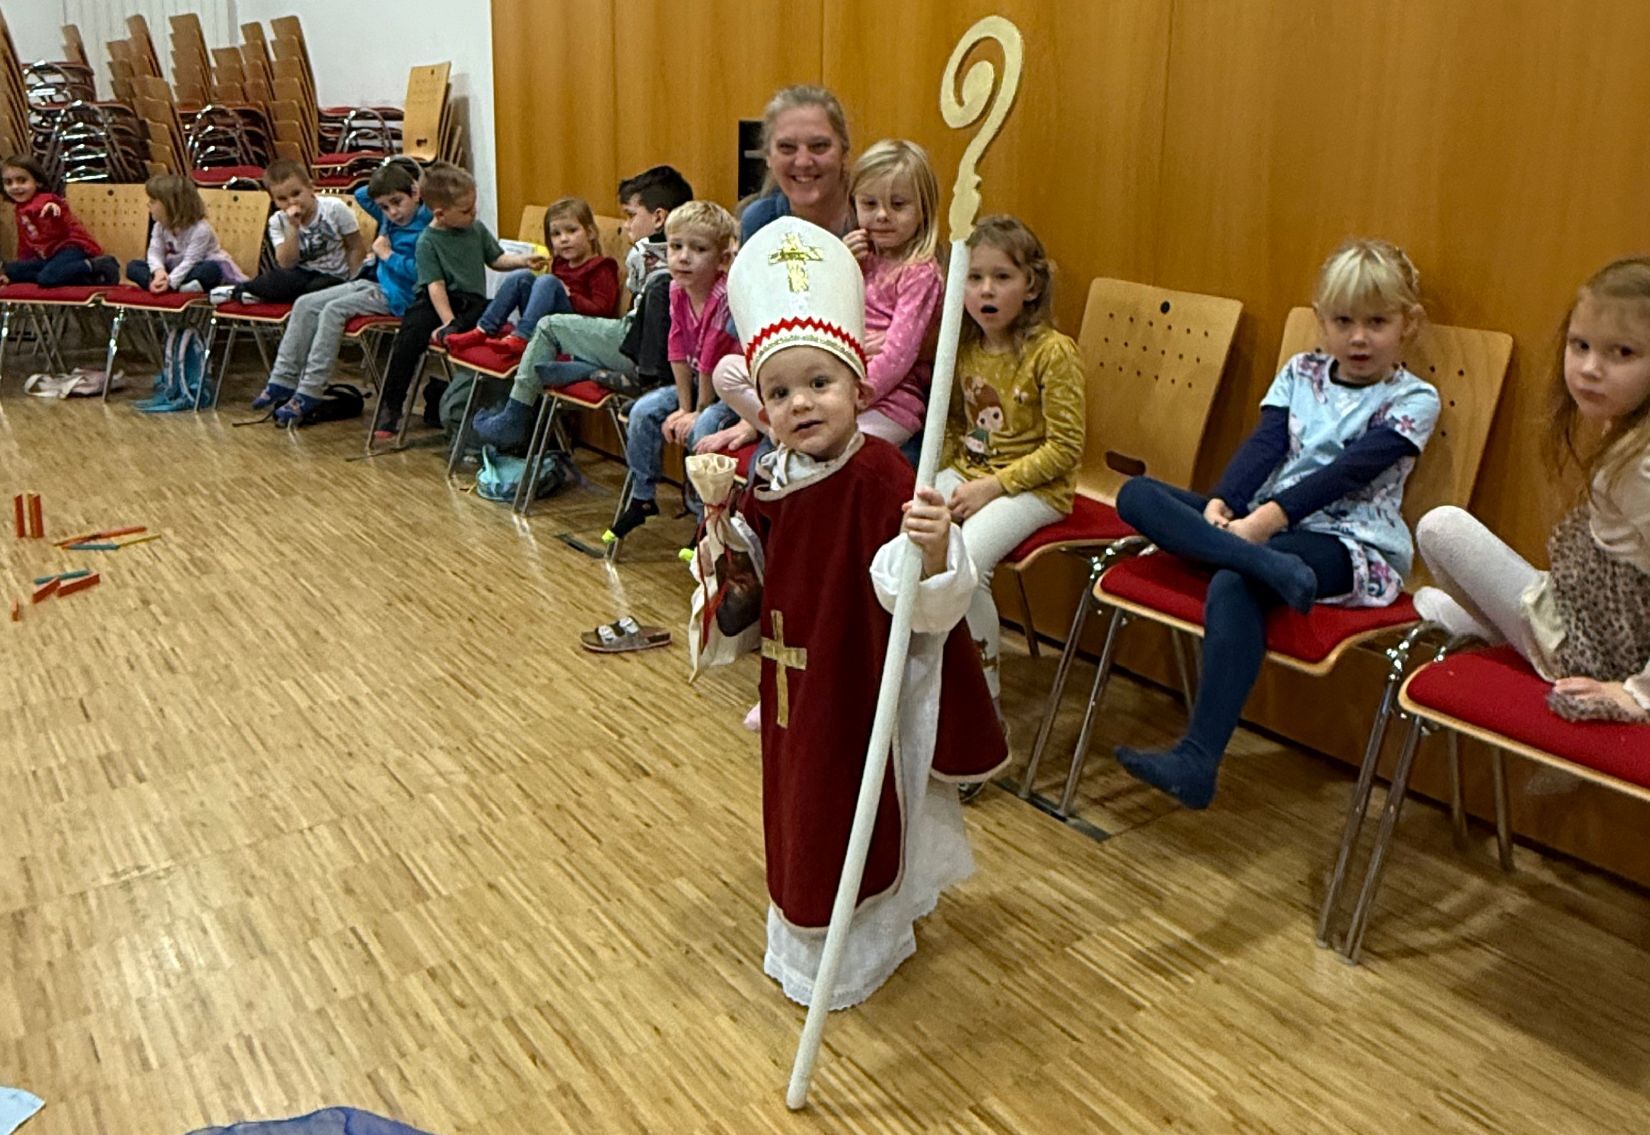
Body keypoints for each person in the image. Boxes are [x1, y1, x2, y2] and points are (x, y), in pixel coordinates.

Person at [693, 215, 1005, 1009]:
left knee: (852, 811)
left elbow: (921, 598)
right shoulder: (771, 474)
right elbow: (758, 573)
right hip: (790, 686)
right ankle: (801, 944)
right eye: (779, 392)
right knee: (797, 809)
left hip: (860, 680)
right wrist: (725, 535)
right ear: (761, 406)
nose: (801, 403)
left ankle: (862, 953)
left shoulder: (882, 475)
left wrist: (932, 548)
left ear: (860, 390)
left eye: (820, 384)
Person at [1112, 239, 1439, 809]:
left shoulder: (1414, 399)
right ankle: (1259, 563)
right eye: (1344, 322)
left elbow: (1345, 473)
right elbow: (1265, 445)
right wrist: (1223, 502)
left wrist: (1263, 521)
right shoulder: (1300, 372)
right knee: (1137, 495)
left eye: (1377, 322)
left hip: (1346, 543)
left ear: (1407, 324)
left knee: (1233, 582)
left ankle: (1197, 759)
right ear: (1321, 321)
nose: (1359, 338)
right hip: (1268, 536)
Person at [1415, 257, 1650, 724]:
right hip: (1585, 609)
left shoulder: (1642, 465)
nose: (1590, 368)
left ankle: (1512, 636)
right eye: (1580, 345)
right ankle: (1506, 629)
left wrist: (1636, 694)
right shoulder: (1626, 429)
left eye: (1622, 353)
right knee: (1434, 591)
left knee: (1440, 528)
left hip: (1596, 648)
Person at [707, 138, 945, 457]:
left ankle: (795, 440)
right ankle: (780, 431)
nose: (882, 215)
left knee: (831, 452)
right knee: (727, 371)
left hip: (884, 402)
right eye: (869, 204)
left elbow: (897, 357)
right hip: (821, 382)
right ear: (854, 204)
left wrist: (847, 399)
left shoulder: (920, 273)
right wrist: (839, 262)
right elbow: (810, 317)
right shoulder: (854, 254)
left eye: (898, 205)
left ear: (924, 209)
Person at [937, 216, 1085, 717]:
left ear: (1031, 285)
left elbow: (1064, 450)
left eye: (1001, 277)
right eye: (974, 278)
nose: (986, 290)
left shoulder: (1053, 353)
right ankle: (928, 682)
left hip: (1037, 489)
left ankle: (985, 711)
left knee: (969, 565)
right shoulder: (964, 348)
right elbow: (953, 426)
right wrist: (935, 483)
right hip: (972, 473)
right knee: (911, 537)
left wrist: (993, 487)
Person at [470, 165, 692, 448]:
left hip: (638, 347)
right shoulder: (690, 252)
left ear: (659, 217)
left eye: (630, 215)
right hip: (657, 353)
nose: (626, 225)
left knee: (549, 326)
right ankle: (582, 369)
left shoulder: (642, 252)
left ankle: (514, 418)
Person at [250, 160, 432, 424]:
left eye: (397, 202)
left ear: (415, 193)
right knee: (305, 303)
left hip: (398, 294)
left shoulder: (426, 224)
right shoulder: (391, 215)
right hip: (372, 280)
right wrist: (393, 169)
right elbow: (362, 194)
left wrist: (387, 255)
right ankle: (282, 379)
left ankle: (310, 390)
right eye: (385, 207)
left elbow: (421, 275)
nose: (392, 212)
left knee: (333, 310)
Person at [372, 163, 545, 439]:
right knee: (409, 337)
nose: (473, 213)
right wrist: (448, 322)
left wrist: (523, 261)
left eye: (473, 207)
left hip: (470, 301)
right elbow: (435, 286)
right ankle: (391, 406)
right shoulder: (427, 241)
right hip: (434, 301)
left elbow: (496, 259)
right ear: (440, 214)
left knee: (486, 315)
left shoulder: (475, 228)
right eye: (465, 210)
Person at [604, 201, 740, 539]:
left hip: (729, 392)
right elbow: (677, 347)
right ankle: (642, 497)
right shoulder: (676, 288)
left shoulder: (724, 295)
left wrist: (698, 411)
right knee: (642, 411)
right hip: (695, 381)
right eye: (676, 246)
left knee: (702, 429)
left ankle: (703, 515)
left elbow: (710, 355)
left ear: (722, 259)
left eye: (699, 249)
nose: (683, 257)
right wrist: (682, 406)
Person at [441, 196, 620, 364]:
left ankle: (522, 337)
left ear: (590, 233)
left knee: (548, 281)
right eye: (556, 234)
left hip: (577, 333)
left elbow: (602, 312)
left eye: (572, 231)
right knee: (521, 277)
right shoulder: (560, 263)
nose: (564, 239)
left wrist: (569, 295)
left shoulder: (601, 267)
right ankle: (484, 330)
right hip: (548, 325)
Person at [232, 159, 366, 305]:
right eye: (282, 199)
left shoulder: (334, 208)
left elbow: (355, 247)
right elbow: (286, 264)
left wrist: (353, 282)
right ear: (274, 201)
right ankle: (238, 291)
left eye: (296, 194)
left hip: (333, 276)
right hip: (300, 275)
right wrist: (293, 227)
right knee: (277, 278)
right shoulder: (277, 221)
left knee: (315, 288)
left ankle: (256, 294)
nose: (291, 202)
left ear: (310, 188)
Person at [0, 154, 117, 287]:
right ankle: (80, 277)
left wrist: (52, 209)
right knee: (12, 270)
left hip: (70, 249)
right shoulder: (19, 209)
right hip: (49, 257)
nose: (15, 186)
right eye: (8, 182)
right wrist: (17, 270)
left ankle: (96, 265)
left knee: (46, 278)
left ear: (38, 182)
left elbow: (57, 217)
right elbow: (25, 242)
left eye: (22, 181)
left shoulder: (46, 199)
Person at [125, 174, 246, 295]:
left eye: (153, 201)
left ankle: (169, 288)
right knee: (133, 266)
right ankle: (159, 285)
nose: (148, 205)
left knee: (210, 270)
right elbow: (155, 252)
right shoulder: (159, 226)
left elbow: (190, 261)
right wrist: (159, 272)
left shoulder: (201, 229)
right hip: (172, 269)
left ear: (171, 205)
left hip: (193, 267)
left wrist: (171, 282)